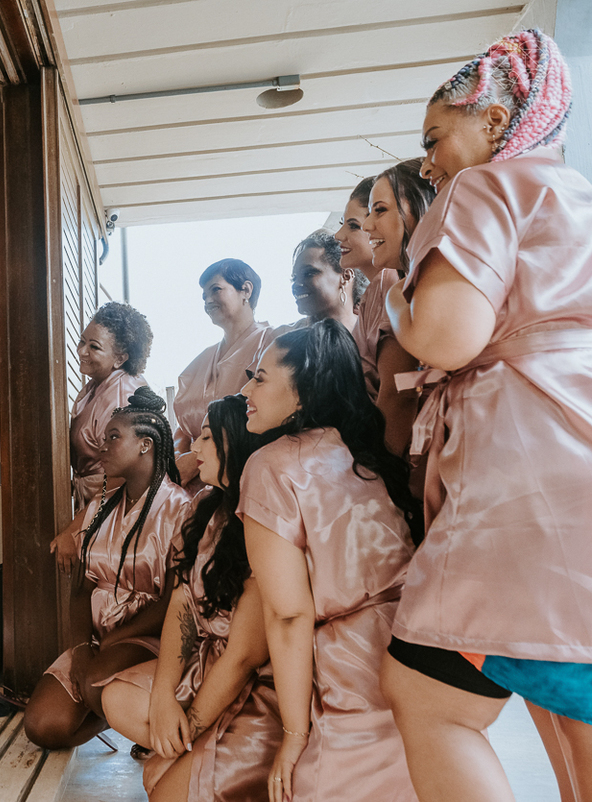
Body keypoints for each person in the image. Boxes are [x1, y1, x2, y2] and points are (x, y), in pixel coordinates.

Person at [380, 30, 592, 802]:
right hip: (576, 449)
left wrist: (396, 300)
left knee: (424, 691)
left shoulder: (487, 187)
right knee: (570, 706)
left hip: (527, 467)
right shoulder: (576, 195)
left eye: (434, 138)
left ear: (496, 121)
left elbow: (448, 335)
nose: (428, 163)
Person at [238, 321, 420, 801]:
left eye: (259, 379)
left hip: (353, 670)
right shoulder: (358, 450)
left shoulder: (271, 465)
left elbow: (288, 614)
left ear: (302, 393)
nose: (245, 391)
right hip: (413, 645)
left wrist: (294, 736)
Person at [100, 395, 281, 801]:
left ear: (235, 444)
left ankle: (198, 759)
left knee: (160, 788)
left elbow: (243, 657)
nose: (194, 447)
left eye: (206, 438)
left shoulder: (262, 518)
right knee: (117, 698)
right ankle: (185, 757)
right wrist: (164, 699)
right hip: (205, 658)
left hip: (250, 682)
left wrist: (188, 733)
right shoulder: (205, 506)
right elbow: (181, 602)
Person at [27, 387, 193, 750]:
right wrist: (81, 647)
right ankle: (111, 714)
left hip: (149, 634)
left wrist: (114, 641)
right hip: (98, 637)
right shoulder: (100, 507)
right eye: (102, 439)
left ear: (146, 445)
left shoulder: (180, 509)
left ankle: (129, 713)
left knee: (94, 681)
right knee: (42, 727)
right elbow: (80, 589)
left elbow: (174, 602)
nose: (101, 448)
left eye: (113, 438)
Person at [171, 259, 273, 491]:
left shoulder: (270, 343)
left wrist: (197, 459)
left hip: (242, 476)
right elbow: (183, 430)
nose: (207, 301)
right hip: (188, 482)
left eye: (215, 290)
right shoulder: (201, 360)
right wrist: (178, 458)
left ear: (246, 290)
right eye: (204, 296)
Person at [358, 161, 436, 455]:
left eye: (379, 210)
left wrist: (380, 473)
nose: (367, 225)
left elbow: (399, 397)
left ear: (422, 209)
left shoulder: (405, 293)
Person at [68, 302, 153, 509]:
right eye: (82, 341)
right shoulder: (96, 384)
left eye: (94, 347)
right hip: (95, 502)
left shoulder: (122, 396)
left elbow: (126, 473)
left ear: (120, 358)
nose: (81, 351)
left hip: (112, 506)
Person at [277, 230, 368, 336]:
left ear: (346, 276)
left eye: (309, 273)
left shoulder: (373, 335)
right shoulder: (284, 339)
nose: (296, 285)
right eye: (294, 278)